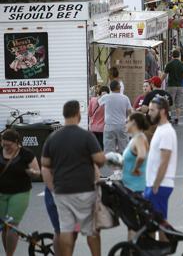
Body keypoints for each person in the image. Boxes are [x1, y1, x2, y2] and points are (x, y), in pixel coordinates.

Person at [41, 100, 105, 256]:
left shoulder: (52, 138)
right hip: (85, 190)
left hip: (62, 192)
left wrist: (53, 189)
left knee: (66, 229)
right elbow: (100, 160)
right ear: (78, 114)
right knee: (91, 230)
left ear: (64, 115)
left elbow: (45, 166)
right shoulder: (86, 136)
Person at [0, 128, 40, 256]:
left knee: (11, 225)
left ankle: (9, 255)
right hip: (1, 193)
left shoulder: (26, 154)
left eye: (9, 145)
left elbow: (38, 172)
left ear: (17, 142)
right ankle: (8, 253)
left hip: (20, 192)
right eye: (3, 144)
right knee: (3, 226)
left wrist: (32, 173)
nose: (6, 147)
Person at [145, 96, 178, 219]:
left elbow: (165, 161)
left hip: (160, 184)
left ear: (162, 111)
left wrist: (156, 184)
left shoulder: (166, 132)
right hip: (155, 183)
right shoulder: (160, 129)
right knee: (154, 224)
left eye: (152, 110)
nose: (149, 113)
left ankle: (166, 239)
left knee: (159, 223)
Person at [100, 79, 132, 155]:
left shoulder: (106, 97)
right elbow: (130, 112)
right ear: (119, 87)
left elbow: (98, 102)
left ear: (110, 88)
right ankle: (123, 165)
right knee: (124, 148)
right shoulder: (125, 98)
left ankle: (110, 165)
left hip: (109, 125)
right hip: (122, 125)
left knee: (109, 150)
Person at [122, 112, 149, 194]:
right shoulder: (136, 138)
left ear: (133, 122)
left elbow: (141, 155)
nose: (125, 125)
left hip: (136, 188)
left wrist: (135, 169)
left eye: (127, 122)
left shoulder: (139, 138)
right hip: (130, 186)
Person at [164, 49, 183, 125]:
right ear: (179, 55)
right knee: (178, 104)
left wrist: (159, 81)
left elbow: (165, 74)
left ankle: (169, 117)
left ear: (172, 55)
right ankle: (177, 118)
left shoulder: (169, 64)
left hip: (171, 85)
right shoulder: (182, 64)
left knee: (169, 102)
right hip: (180, 86)